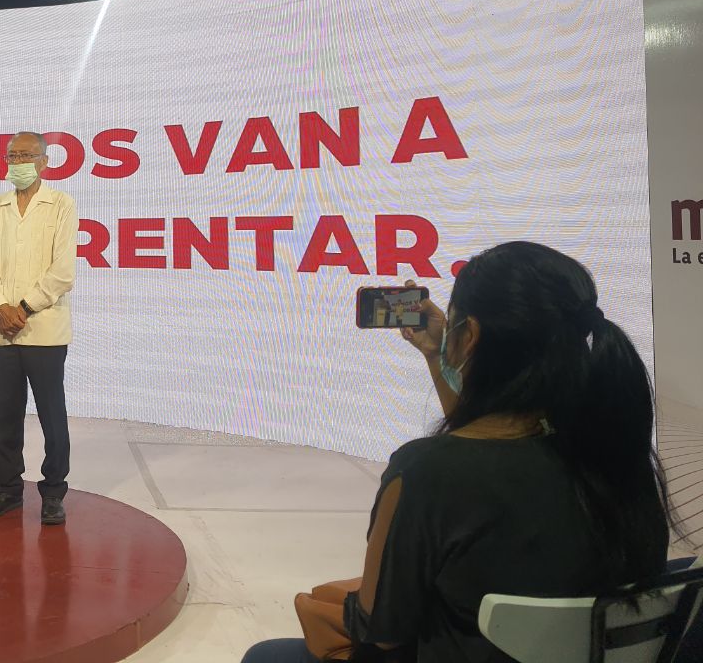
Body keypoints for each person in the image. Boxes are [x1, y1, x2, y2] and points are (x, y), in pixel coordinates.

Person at [243, 240, 679, 663]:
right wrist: (439, 353)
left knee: (266, 656)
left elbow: (383, 631)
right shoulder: (615, 458)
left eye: (454, 323)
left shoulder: (425, 473)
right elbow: (490, 439)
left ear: (469, 335)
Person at [0, 131, 79, 526]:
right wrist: (1, 305)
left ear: (44, 162)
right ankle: (8, 490)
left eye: (25, 155)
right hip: (2, 327)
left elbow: (63, 271)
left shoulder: (62, 204)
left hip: (44, 327)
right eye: (12, 156)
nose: (17, 162)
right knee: (6, 414)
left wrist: (22, 307)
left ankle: (53, 493)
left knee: (51, 414)